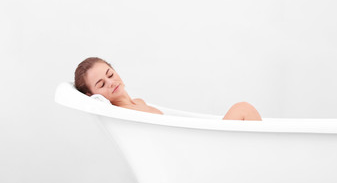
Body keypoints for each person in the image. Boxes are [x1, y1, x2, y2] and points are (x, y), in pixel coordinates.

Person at [74, 57, 262, 121]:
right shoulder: (119, 113)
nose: (111, 82)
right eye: (101, 84)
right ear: (92, 95)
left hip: (191, 148)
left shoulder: (139, 102)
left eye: (110, 74)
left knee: (244, 110)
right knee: (243, 108)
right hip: (190, 156)